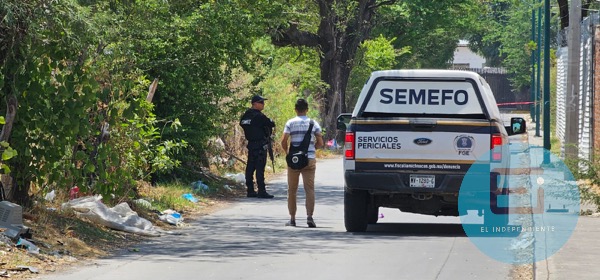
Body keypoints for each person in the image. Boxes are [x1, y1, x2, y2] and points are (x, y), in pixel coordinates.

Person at [280, 98, 324, 227]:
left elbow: (283, 141)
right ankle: (309, 217)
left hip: (294, 160)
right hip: (309, 159)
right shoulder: (313, 123)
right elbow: (320, 142)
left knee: (292, 190)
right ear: (307, 110)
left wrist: (288, 152)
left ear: (295, 109)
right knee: (309, 189)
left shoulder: (290, 123)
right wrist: (312, 150)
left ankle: (292, 219)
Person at [239, 95, 276, 199]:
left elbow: (242, 123)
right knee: (259, 168)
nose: (263, 104)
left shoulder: (246, 115)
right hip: (260, 145)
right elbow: (271, 123)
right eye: (261, 102)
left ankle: (250, 190)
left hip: (251, 144)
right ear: (255, 104)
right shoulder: (259, 116)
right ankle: (261, 191)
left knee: (250, 167)